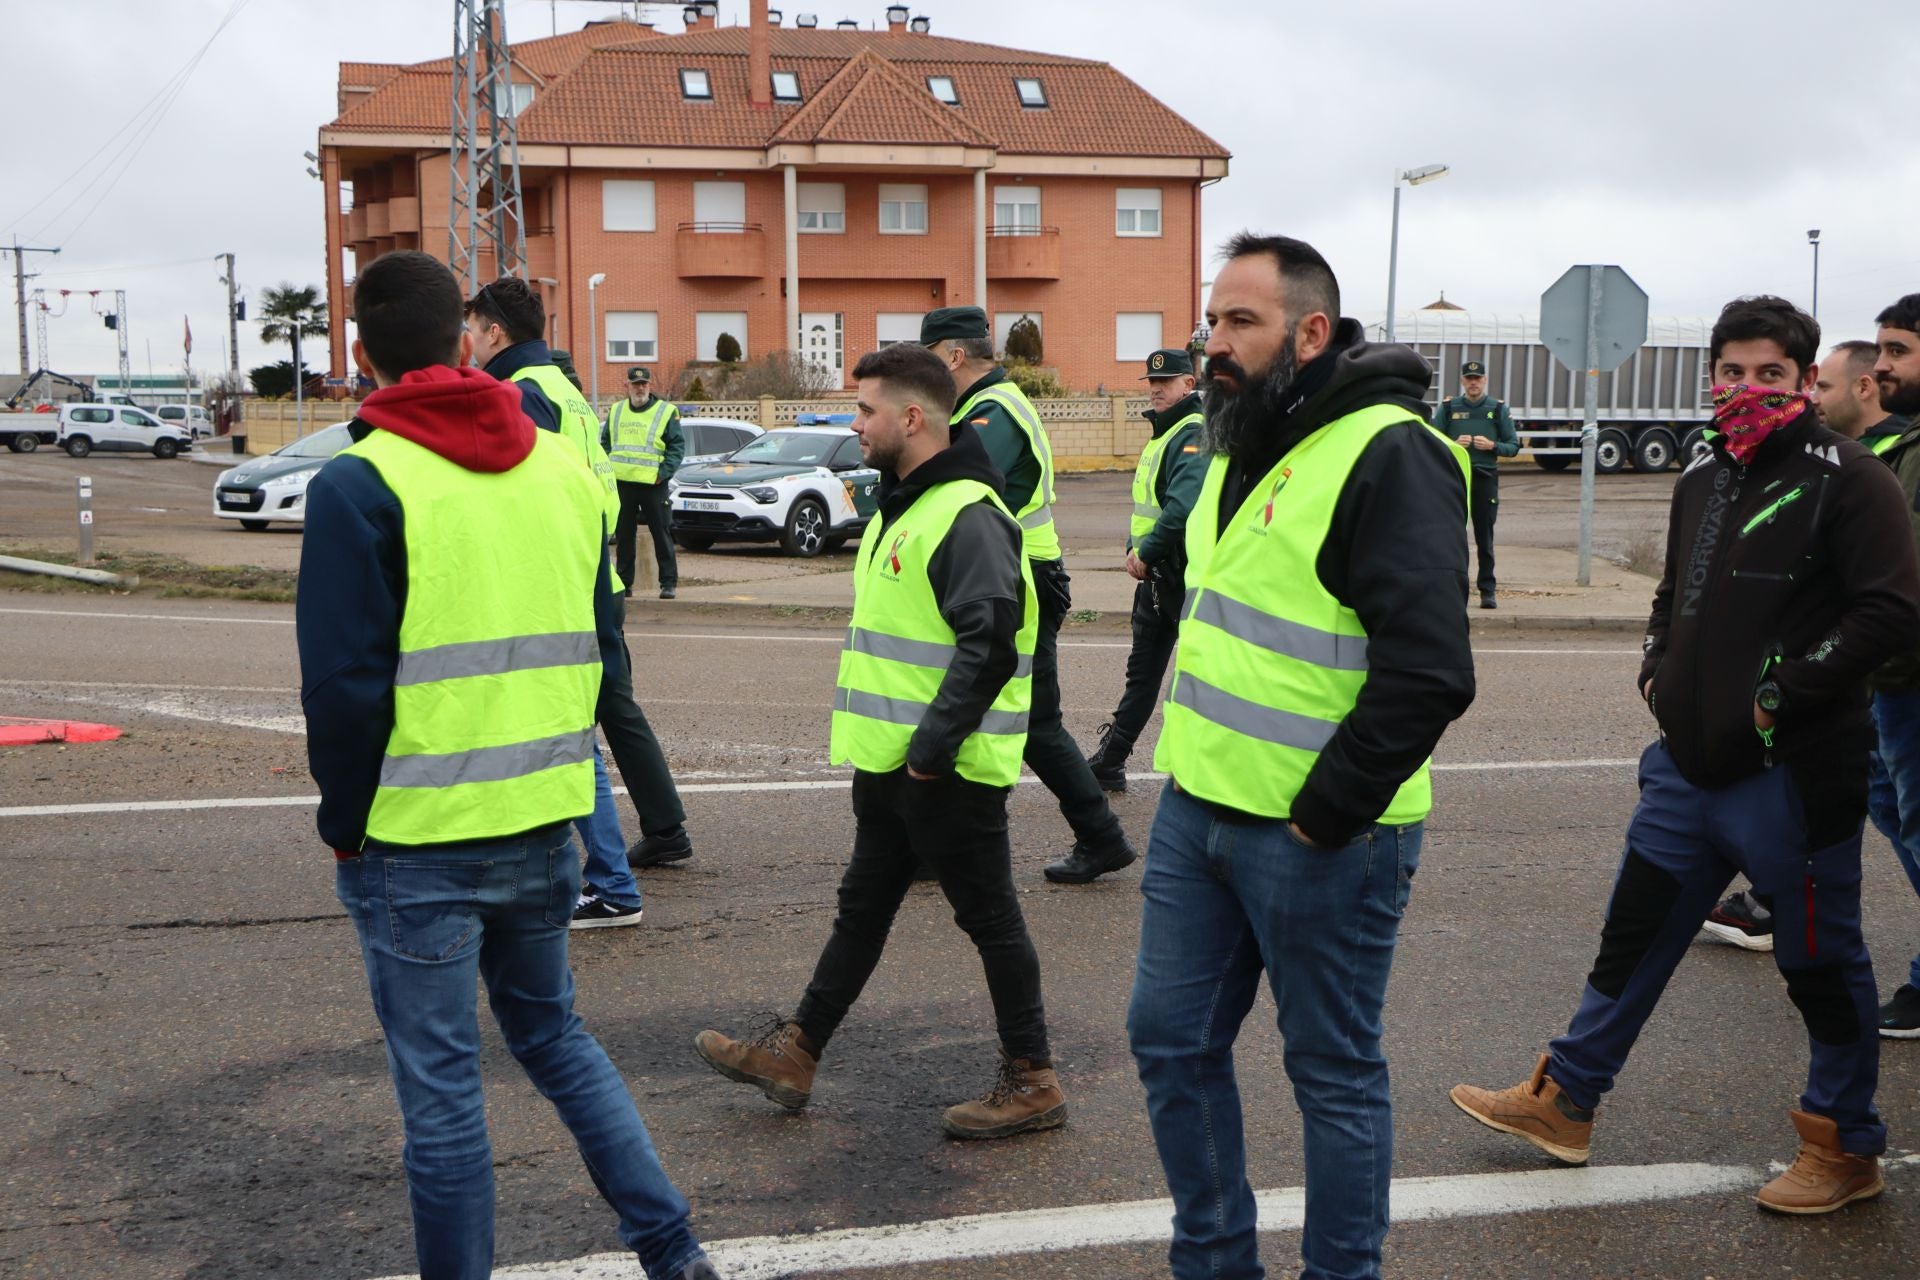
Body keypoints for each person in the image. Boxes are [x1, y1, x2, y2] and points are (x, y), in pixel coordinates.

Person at [296, 250, 716, 1280]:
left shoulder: (361, 483)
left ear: (363, 351)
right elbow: (593, 645)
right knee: (560, 1041)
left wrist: (345, 823)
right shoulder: (567, 470)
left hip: (416, 839)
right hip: (544, 821)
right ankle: (675, 1252)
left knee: (441, 1096)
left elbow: (343, 687)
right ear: (460, 337)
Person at [1451, 295, 1920, 1216]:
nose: (1750, 389)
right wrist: (1656, 669)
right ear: (1715, 375)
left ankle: (1845, 1143)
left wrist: (1784, 693)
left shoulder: (1850, 477)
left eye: (1772, 374)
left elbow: (1890, 612)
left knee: (1821, 964)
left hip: (1796, 772)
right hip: (1688, 767)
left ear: (1802, 377)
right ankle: (1567, 1099)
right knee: (1634, 932)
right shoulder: (1701, 476)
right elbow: (1676, 593)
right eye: (1734, 372)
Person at [1129, 234, 1475, 1280]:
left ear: (1309, 333)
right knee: (1169, 1042)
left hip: (1325, 835)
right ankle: (1216, 1260)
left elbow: (1429, 673)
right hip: (1199, 812)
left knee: (1330, 1071)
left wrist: (1325, 812)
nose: (1213, 342)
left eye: (1241, 322)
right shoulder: (1242, 435)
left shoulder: (1388, 450)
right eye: (1211, 320)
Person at [692, 342, 1065, 1139]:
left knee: (991, 921)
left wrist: (930, 752)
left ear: (912, 416)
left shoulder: (969, 515)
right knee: (860, 912)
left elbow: (990, 643)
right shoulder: (911, 505)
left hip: (947, 770)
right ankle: (798, 1050)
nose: (852, 423)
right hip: (892, 764)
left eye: (863, 410)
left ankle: (1033, 1079)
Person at [465, 279, 697, 873]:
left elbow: (527, 495)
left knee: (572, 714)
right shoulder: (563, 390)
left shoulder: (522, 392)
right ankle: (661, 827)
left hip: (566, 576)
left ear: (495, 332)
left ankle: (603, 859)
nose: (466, 343)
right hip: (592, 567)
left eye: (471, 330)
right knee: (610, 705)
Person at [920, 306, 1138, 885]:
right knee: (981, 707)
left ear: (954, 356)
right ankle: (937, 840)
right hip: (1013, 575)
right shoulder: (983, 405)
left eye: (929, 358)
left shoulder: (993, 412)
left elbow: (962, 483)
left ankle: (1100, 836)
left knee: (1030, 720)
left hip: (1021, 579)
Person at [1084, 348, 1207, 794]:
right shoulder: (1165, 434)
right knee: (1143, 674)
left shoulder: (1192, 434)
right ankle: (1111, 760)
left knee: (1195, 677)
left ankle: (1200, 770)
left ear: (1188, 385)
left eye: (1167, 381)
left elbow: (1181, 509)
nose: (1155, 388)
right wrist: (1137, 548)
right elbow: (1148, 510)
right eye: (1152, 382)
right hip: (1158, 576)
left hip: (1181, 578)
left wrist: (1146, 552)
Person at [1865, 297, 1920, 1036]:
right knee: (1889, 808)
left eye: (1899, 350)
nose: (1882, 365)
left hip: (1909, 679)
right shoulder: (1906, 446)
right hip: (1889, 679)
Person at [1434, 359, 1519, 609]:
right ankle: (1453, 590)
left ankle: (1487, 590)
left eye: (1477, 378)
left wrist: (1492, 446)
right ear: (1462, 380)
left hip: (1484, 477)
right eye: (1469, 379)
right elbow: (1432, 439)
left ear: (1484, 380)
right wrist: (1452, 443)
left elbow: (1514, 446)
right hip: (1455, 478)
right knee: (1452, 538)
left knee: (1485, 538)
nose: (1473, 383)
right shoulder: (1450, 407)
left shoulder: (1496, 409)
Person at [607, 367, 685, 600]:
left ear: (650, 386)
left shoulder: (665, 411)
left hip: (653, 484)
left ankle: (668, 583)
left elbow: (677, 446)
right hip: (623, 484)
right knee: (624, 537)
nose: (640, 388)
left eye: (643, 384)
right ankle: (624, 583)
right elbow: (606, 444)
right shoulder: (616, 411)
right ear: (627, 386)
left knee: (661, 534)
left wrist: (663, 473)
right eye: (635, 384)